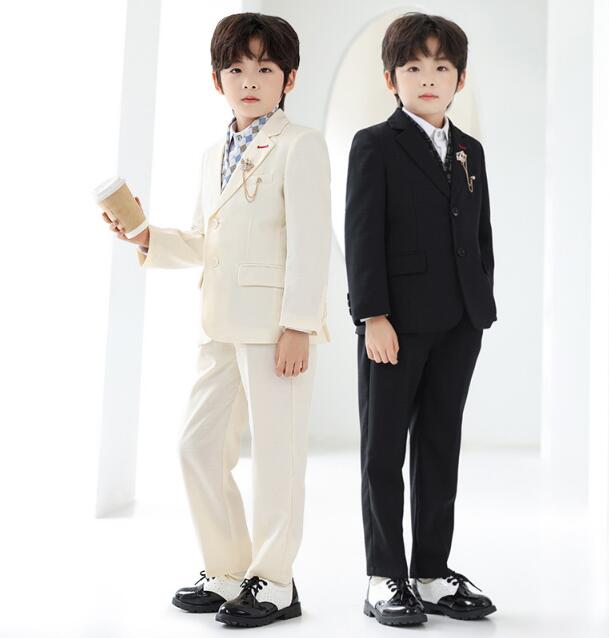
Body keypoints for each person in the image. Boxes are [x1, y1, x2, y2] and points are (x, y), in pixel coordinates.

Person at [102, 12, 331, 629]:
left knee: (277, 459)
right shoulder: (213, 154)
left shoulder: (302, 144)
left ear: (289, 78)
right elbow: (206, 239)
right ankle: (228, 569)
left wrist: (298, 325)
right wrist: (146, 235)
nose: (249, 80)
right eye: (236, 69)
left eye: (265, 68)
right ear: (216, 80)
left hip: (275, 328)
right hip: (220, 324)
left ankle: (275, 582)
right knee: (197, 446)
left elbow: (312, 242)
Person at [344, 11, 497, 626]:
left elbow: (480, 235)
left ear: (460, 78)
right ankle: (385, 575)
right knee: (383, 451)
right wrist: (372, 316)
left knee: (439, 446)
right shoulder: (375, 145)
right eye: (412, 67)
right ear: (391, 79)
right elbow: (362, 237)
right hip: (396, 326)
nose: (427, 78)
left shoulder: (469, 150)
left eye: (441, 67)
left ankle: (431, 573)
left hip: (460, 322)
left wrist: (480, 304)